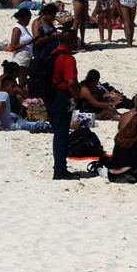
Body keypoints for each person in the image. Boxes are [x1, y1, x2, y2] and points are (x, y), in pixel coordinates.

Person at [46, 32, 82, 180]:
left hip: (50, 95)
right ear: (72, 41)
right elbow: (71, 82)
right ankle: (60, 169)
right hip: (62, 97)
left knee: (58, 133)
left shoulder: (53, 53)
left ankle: (59, 167)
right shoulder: (67, 58)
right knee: (62, 135)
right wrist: (77, 97)